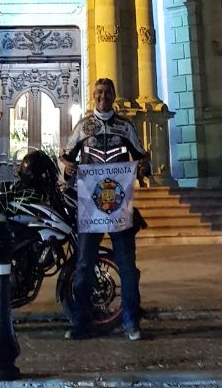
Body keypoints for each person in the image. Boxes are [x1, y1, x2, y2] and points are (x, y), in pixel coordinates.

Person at [60, 77, 150, 341]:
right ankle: (80, 322)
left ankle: (131, 321)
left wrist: (144, 166)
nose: (102, 96)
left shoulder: (125, 127)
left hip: (120, 209)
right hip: (90, 209)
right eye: (98, 92)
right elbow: (66, 154)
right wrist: (67, 167)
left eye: (107, 92)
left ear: (113, 95)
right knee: (85, 265)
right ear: (93, 96)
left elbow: (141, 155)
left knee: (127, 266)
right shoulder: (83, 126)